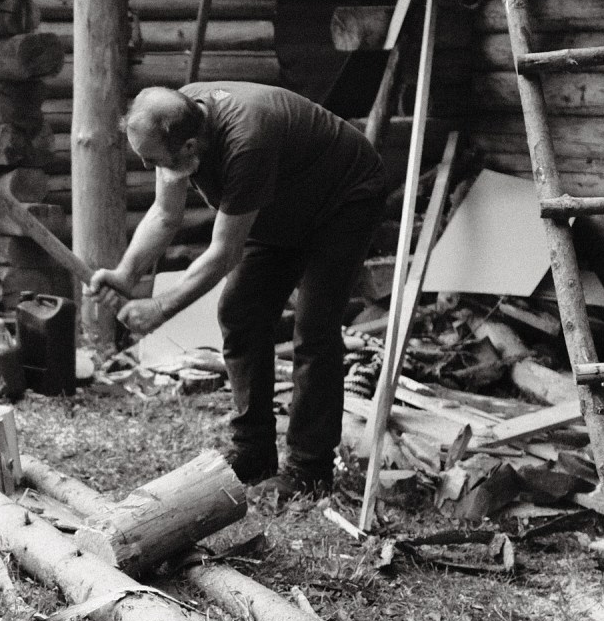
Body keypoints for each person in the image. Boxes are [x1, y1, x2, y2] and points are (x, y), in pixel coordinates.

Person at [88, 82, 385, 497]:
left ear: (190, 147)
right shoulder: (176, 119)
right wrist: (124, 274)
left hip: (344, 201)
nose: (146, 164)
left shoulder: (247, 145)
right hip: (282, 202)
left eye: (152, 159)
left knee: (314, 328)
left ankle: (309, 470)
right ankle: (254, 451)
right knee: (241, 310)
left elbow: (224, 252)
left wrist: (159, 308)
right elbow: (164, 213)